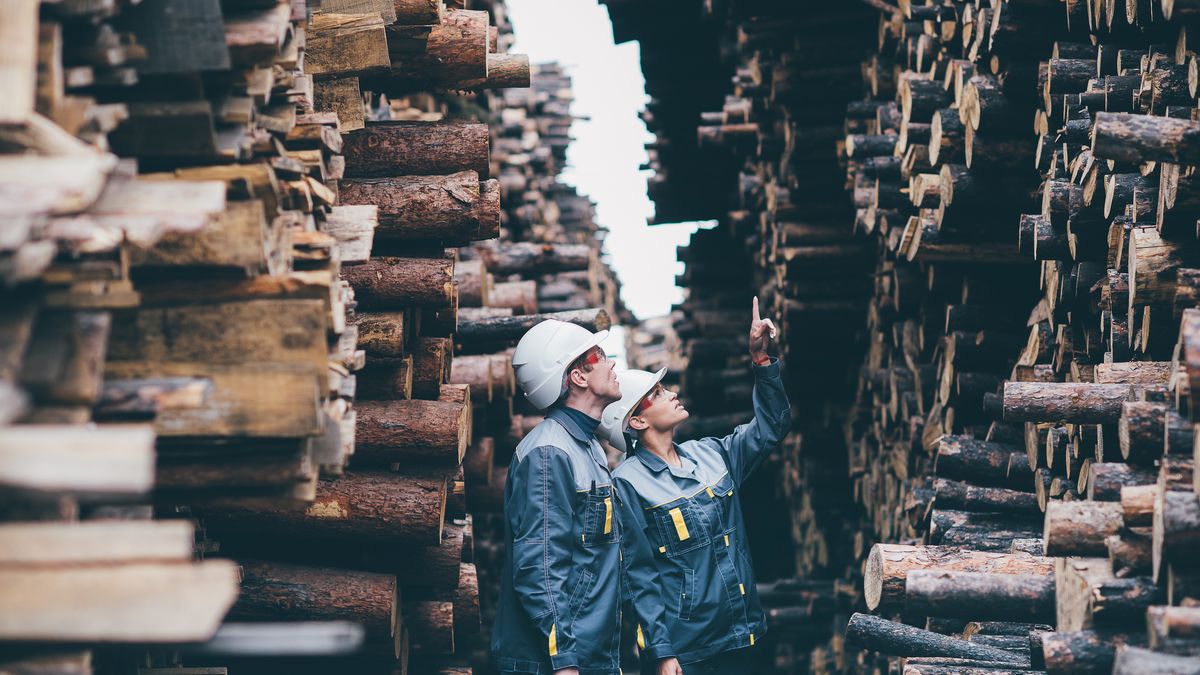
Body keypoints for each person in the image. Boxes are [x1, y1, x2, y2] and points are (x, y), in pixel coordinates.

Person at [601, 299, 790, 675]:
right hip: (691, 654)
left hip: (745, 634)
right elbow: (638, 578)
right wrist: (661, 652)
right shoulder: (627, 485)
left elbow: (772, 428)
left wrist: (761, 362)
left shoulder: (711, 454)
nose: (671, 393)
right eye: (656, 394)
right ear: (636, 421)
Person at [492, 319, 625, 675]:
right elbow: (541, 567)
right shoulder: (549, 454)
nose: (612, 363)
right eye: (600, 356)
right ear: (578, 377)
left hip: (591, 655)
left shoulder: (588, 448)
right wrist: (563, 661)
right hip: (557, 663)